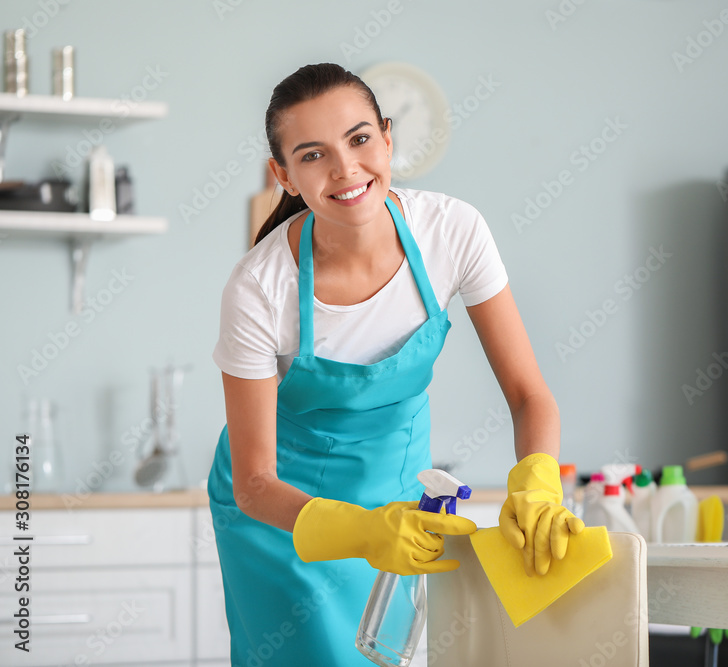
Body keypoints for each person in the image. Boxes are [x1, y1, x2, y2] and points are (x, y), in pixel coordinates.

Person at [207, 63, 585, 666]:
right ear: (284, 174)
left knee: (388, 656)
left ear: (387, 137)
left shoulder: (452, 232)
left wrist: (538, 484)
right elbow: (255, 485)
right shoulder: (258, 288)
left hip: (398, 496)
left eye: (359, 140)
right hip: (285, 517)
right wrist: (360, 532)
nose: (345, 169)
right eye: (313, 155)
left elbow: (527, 394)